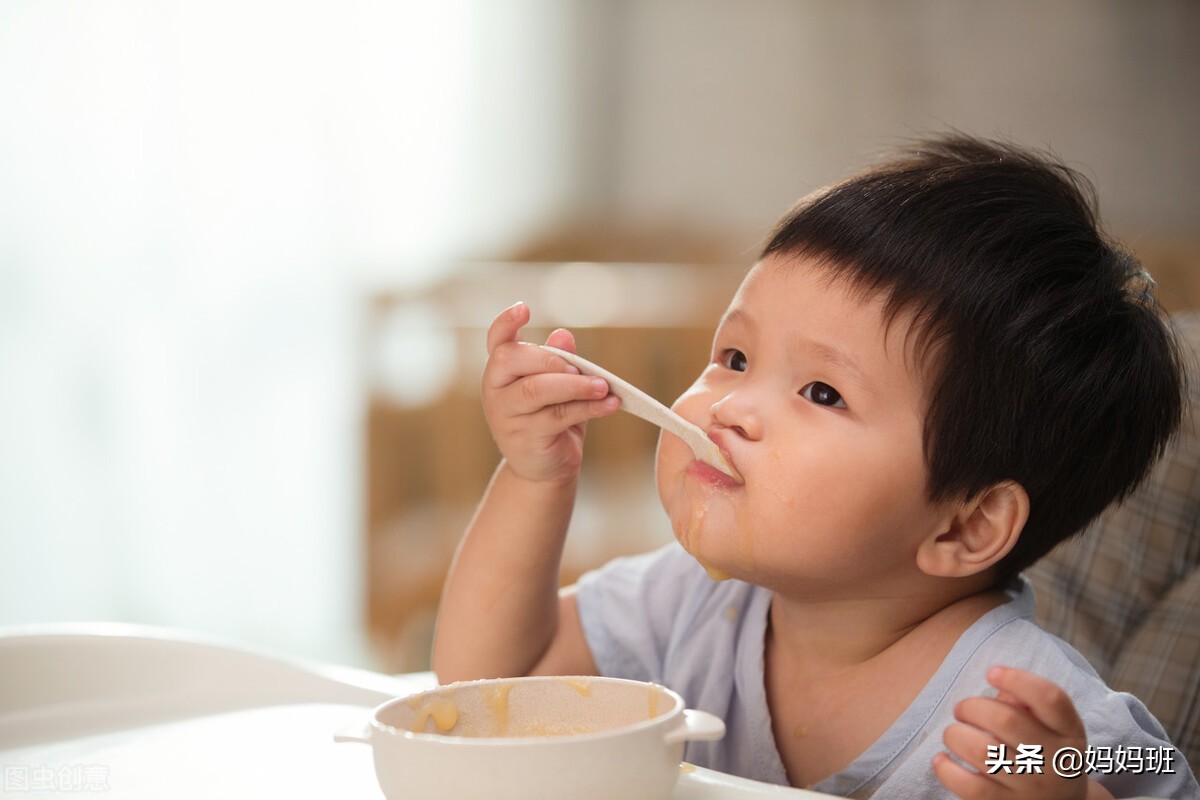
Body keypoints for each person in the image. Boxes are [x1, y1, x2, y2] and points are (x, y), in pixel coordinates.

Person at [431, 135, 1199, 799]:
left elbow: (1147, 765)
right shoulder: (694, 605)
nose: (728, 406)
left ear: (965, 525)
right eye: (733, 357)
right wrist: (535, 478)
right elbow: (493, 681)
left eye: (822, 392)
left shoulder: (1020, 712)